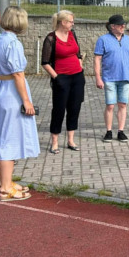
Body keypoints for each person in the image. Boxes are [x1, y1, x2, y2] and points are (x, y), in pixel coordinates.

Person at [0, 6, 38, 201]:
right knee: (10, 138)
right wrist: (26, 101)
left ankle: (5, 181)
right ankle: (5, 188)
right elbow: (18, 73)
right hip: (12, 92)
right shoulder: (13, 43)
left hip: (0, 89)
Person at [41, 10, 85, 152]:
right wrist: (56, 77)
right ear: (63, 22)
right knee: (59, 110)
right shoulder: (51, 38)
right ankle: (54, 141)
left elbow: (78, 54)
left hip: (77, 76)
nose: (73, 24)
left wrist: (80, 66)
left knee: (74, 108)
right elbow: (45, 62)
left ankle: (71, 140)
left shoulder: (73, 34)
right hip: (61, 78)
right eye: (71, 21)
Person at [94, 14, 129, 143]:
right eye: (120, 24)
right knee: (110, 106)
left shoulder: (128, 40)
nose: (123, 26)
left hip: (125, 78)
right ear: (112, 26)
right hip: (109, 78)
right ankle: (108, 131)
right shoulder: (103, 40)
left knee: (123, 105)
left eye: (124, 24)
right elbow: (97, 59)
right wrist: (98, 77)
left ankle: (121, 131)